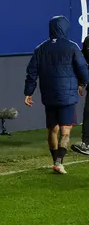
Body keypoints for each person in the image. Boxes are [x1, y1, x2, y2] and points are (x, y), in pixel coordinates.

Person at [24, 15, 89, 174]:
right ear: (65, 28)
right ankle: (60, 161)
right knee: (66, 130)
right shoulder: (72, 47)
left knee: (52, 129)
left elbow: (31, 73)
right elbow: (82, 68)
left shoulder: (40, 49)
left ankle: (55, 161)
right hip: (67, 95)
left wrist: (28, 93)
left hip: (49, 95)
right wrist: (83, 83)